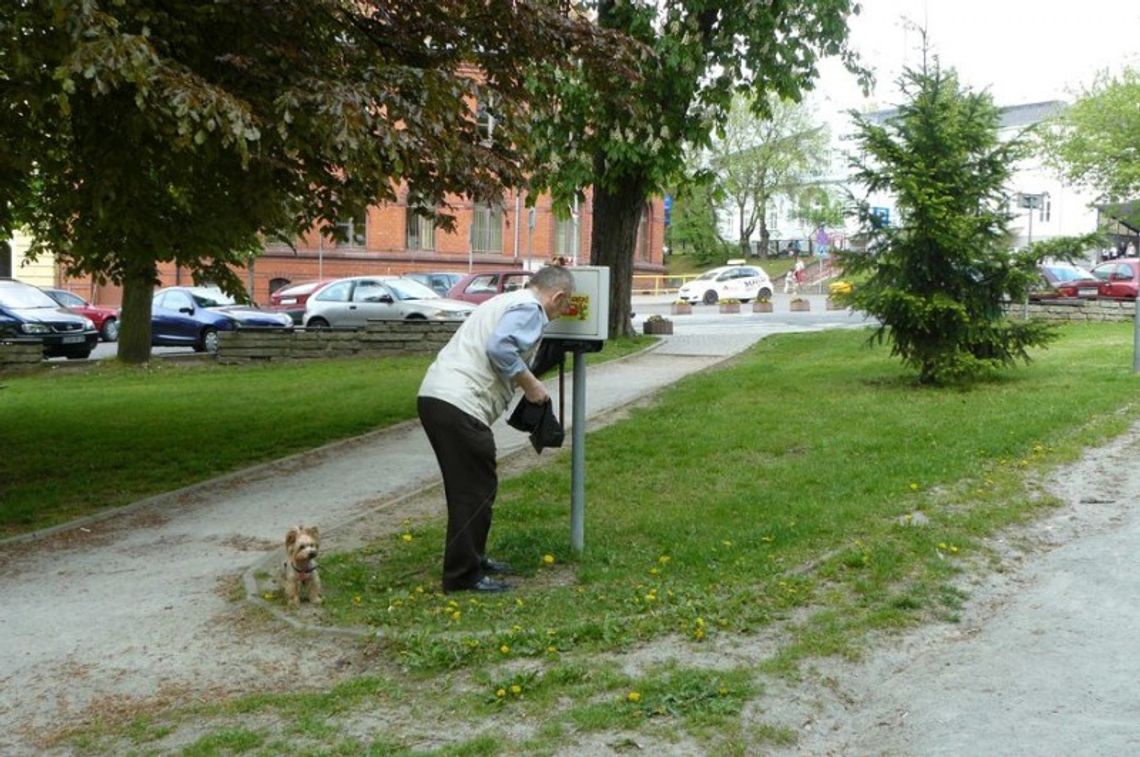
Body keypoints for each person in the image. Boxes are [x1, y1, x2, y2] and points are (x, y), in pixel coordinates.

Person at [417, 265, 574, 593]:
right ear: (557, 296)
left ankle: (474, 559)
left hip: (440, 398)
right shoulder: (531, 309)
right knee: (473, 490)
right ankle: (463, 576)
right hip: (458, 403)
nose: (562, 313)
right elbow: (500, 348)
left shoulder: (507, 301)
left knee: (475, 487)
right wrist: (531, 385)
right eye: (564, 305)